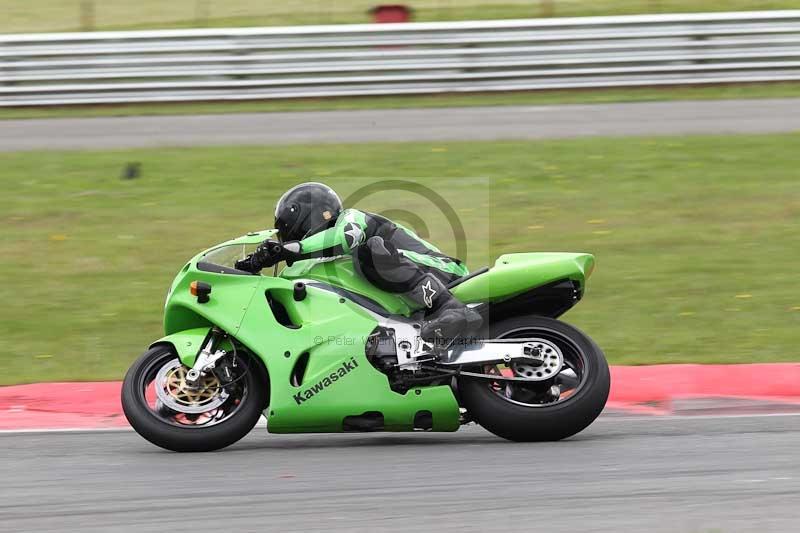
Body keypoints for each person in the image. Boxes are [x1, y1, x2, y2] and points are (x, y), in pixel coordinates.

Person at [236, 182, 481, 345]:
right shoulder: (322, 259)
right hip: (413, 292)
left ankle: (452, 309)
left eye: (287, 231)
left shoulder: (352, 218)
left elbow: (346, 237)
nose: (287, 237)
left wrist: (289, 250)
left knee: (370, 250)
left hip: (444, 272)